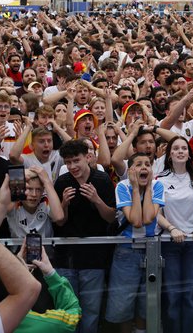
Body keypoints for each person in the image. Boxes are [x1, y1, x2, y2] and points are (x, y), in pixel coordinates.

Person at [52, 139, 116, 333]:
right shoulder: (62, 182)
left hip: (94, 258)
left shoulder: (102, 180)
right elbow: (59, 221)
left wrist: (96, 200)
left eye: (76, 161)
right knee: (68, 312)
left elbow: (111, 218)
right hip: (66, 256)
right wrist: (63, 204)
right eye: (68, 162)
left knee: (91, 311)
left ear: (87, 158)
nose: (72, 166)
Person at [105, 152, 164, 333]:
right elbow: (135, 220)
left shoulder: (158, 185)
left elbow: (147, 218)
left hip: (151, 249)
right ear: (131, 170)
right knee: (123, 300)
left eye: (148, 164)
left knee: (148, 300)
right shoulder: (122, 186)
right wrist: (136, 188)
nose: (144, 167)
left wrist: (147, 189)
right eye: (139, 164)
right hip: (126, 250)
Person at [155, 136, 193, 333]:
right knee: (172, 294)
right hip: (170, 244)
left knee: (192, 294)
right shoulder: (159, 180)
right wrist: (171, 228)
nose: (180, 151)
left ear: (189, 153)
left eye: (183, 148)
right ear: (169, 154)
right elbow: (156, 213)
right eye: (175, 148)